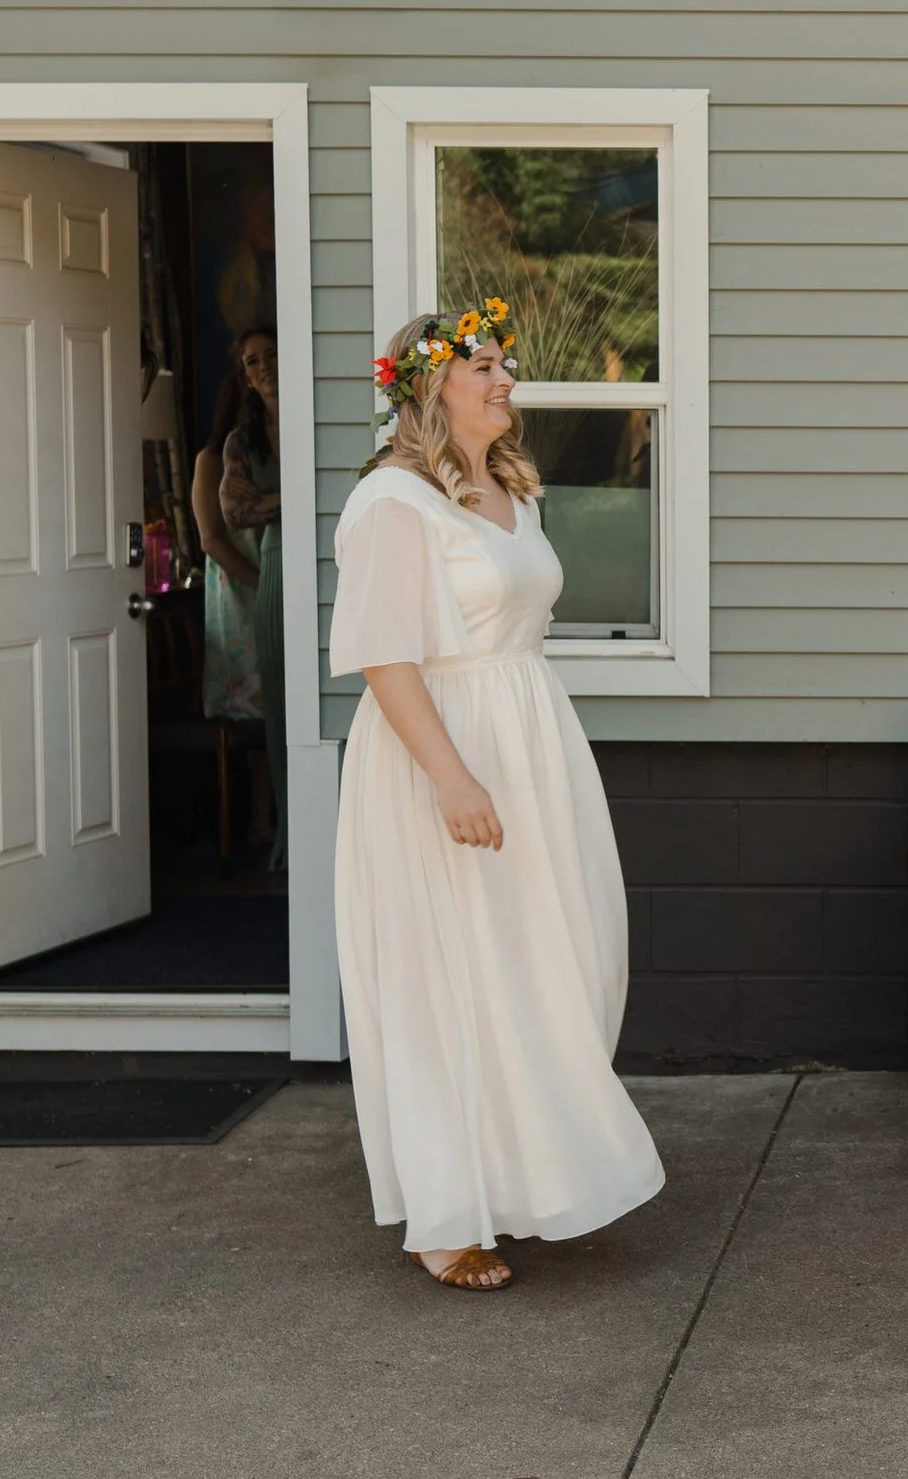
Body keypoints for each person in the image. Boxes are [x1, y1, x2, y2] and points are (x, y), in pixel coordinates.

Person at [328, 303, 664, 1291]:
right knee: (452, 975)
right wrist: (451, 774)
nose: (506, 377)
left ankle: (521, 1174)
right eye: (484, 364)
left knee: (556, 959)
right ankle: (448, 1213)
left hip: (529, 743)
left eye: (503, 361)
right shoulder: (393, 502)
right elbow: (384, 656)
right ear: (430, 385)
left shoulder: (509, 486)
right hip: (441, 751)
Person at [217, 325, 286, 868]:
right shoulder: (243, 441)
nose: (262, 368)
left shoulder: (312, 416)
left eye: (270, 356)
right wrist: (286, 500)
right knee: (279, 706)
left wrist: (269, 499)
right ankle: (285, 835)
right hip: (276, 564)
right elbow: (236, 513)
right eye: (251, 362)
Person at [191, 358, 266, 726]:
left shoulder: (267, 454)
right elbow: (211, 540)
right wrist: (260, 583)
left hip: (270, 568)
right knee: (247, 697)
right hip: (237, 584)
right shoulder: (211, 460)